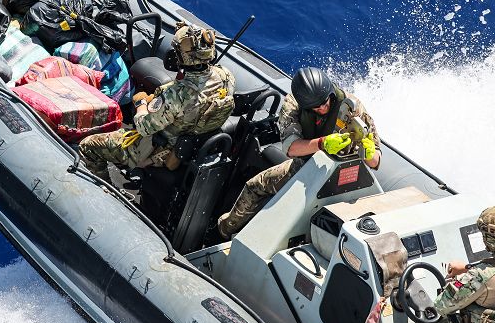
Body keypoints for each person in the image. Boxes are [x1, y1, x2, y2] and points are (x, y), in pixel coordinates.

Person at [216, 66, 379, 238]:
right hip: (313, 165)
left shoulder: (352, 106)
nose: (324, 108)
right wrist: (323, 143)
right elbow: (291, 148)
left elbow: (375, 162)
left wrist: (369, 153)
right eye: (317, 107)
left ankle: (224, 229)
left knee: (256, 186)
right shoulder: (294, 105)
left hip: (342, 173)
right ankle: (227, 229)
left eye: (326, 102)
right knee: (255, 185)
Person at [79, 21, 235, 179]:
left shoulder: (177, 95)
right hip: (189, 148)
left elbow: (143, 127)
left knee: (89, 146)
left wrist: (141, 104)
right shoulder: (226, 77)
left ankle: (106, 190)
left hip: (159, 150)